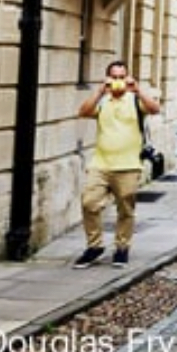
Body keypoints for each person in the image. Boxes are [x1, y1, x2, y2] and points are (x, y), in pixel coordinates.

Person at [74, 60, 162, 268]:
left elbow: (155, 109)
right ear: (108, 78)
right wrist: (98, 92)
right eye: (114, 77)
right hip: (101, 164)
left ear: (127, 78)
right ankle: (94, 246)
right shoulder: (103, 102)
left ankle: (122, 248)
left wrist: (138, 90)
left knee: (125, 210)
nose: (118, 81)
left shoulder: (134, 101)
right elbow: (83, 112)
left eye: (122, 77)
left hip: (129, 165)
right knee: (89, 203)